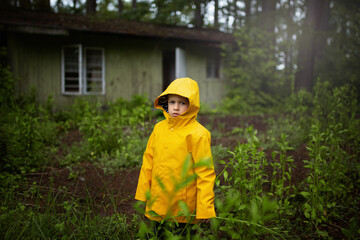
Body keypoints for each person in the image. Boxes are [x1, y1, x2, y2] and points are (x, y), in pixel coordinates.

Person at [135, 77, 216, 237]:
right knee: (158, 235)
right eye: (172, 102)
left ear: (192, 105)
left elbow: (205, 172)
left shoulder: (198, 134)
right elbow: (148, 161)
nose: (176, 107)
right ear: (166, 103)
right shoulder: (159, 128)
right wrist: (144, 193)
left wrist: (205, 208)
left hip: (183, 204)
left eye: (182, 103)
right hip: (158, 200)